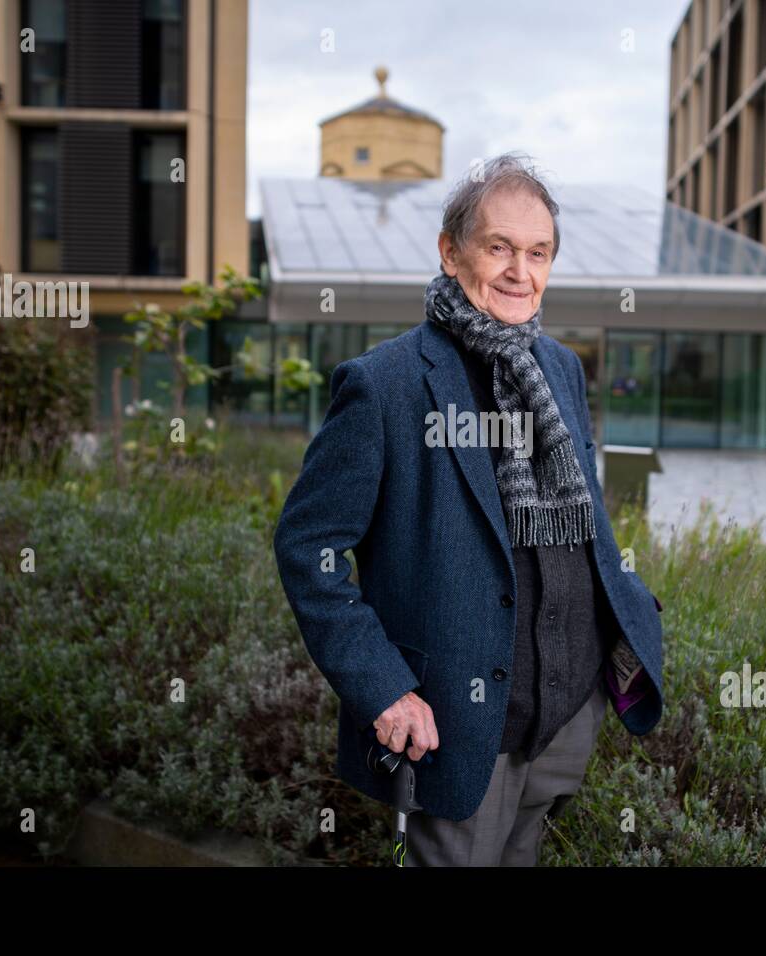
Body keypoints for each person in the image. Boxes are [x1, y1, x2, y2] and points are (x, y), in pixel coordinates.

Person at [273, 152, 663, 866]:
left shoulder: (561, 369)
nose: (521, 271)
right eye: (500, 248)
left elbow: (585, 524)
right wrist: (384, 689)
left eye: (538, 252)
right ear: (452, 253)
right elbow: (308, 549)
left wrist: (627, 620)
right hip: (454, 720)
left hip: (564, 715)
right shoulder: (385, 384)